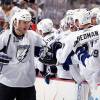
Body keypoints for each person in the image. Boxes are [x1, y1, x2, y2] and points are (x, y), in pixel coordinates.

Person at [0, 9, 43, 100]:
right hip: (7, 82)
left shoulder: (32, 35)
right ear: (16, 22)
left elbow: (45, 46)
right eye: (24, 22)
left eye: (28, 22)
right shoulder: (5, 36)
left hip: (27, 84)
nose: (27, 25)